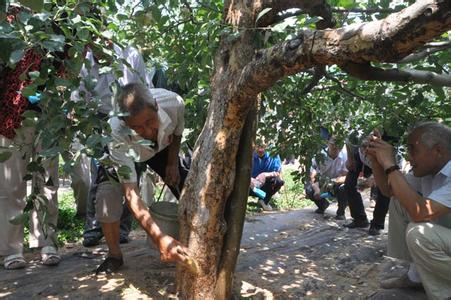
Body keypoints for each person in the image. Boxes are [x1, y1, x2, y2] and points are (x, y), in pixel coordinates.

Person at [94, 83, 189, 274]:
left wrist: (171, 163)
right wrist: (159, 237)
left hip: (161, 149)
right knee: (106, 197)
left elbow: (177, 133)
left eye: (149, 122)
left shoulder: (174, 103)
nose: (145, 131)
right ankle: (114, 256)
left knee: (188, 186)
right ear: (124, 122)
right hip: (125, 152)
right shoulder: (116, 132)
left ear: (156, 106)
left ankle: (196, 240)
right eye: (136, 127)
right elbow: (131, 195)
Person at [71, 42, 154, 247]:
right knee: (100, 173)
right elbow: (80, 95)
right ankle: (94, 227)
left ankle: (122, 228)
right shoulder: (86, 61)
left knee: (130, 172)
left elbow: (145, 87)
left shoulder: (131, 54)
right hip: (99, 120)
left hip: (129, 118)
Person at [0, 4, 60, 269]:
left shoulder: (57, 18)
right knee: (11, 187)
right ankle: (12, 250)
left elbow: (68, 64)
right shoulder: (8, 16)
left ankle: (47, 243)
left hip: (49, 115)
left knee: (46, 183)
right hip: (12, 116)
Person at [366, 122, 451, 299]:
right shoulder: (429, 171)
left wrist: (390, 164)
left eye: (413, 150)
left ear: (438, 150)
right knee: (399, 202)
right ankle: (416, 276)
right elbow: (389, 191)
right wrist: (376, 160)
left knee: (419, 233)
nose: (409, 157)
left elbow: (421, 211)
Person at [344, 142, 390, 235]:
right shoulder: (354, 137)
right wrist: (350, 159)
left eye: (368, 148)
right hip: (362, 160)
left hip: (382, 163)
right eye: (363, 148)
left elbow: (384, 174)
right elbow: (348, 142)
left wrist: (373, 179)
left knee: (384, 189)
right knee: (349, 183)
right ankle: (359, 219)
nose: (365, 151)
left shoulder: (385, 151)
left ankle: (377, 224)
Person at [305, 137, 348, 220]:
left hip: (337, 184)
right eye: (333, 144)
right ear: (327, 143)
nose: (336, 147)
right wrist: (317, 189)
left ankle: (341, 212)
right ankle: (322, 205)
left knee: (344, 188)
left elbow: (346, 176)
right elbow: (313, 176)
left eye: (339, 144)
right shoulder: (320, 155)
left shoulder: (345, 156)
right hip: (321, 183)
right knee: (309, 189)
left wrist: (333, 182)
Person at [249, 142, 284, 211]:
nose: (260, 150)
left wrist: (265, 174)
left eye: (262, 146)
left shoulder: (273, 153)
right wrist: (249, 179)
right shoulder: (248, 153)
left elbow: (278, 172)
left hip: (264, 185)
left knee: (279, 182)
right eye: (258, 146)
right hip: (250, 186)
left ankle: (263, 200)